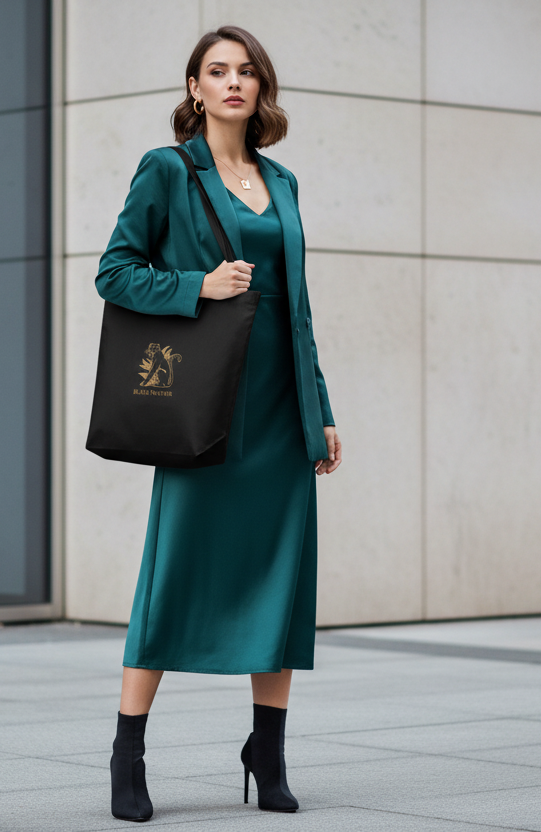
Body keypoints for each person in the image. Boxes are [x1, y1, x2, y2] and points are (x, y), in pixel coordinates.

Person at [94, 24, 342, 822]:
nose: (233, 82)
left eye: (246, 71)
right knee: (174, 575)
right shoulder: (168, 170)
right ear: (194, 89)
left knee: (280, 582)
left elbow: (298, 309)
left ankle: (267, 753)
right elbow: (115, 271)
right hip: (207, 411)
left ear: (261, 88)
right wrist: (197, 286)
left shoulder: (284, 181)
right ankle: (128, 753)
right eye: (217, 71)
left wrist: (320, 409)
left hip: (280, 410)